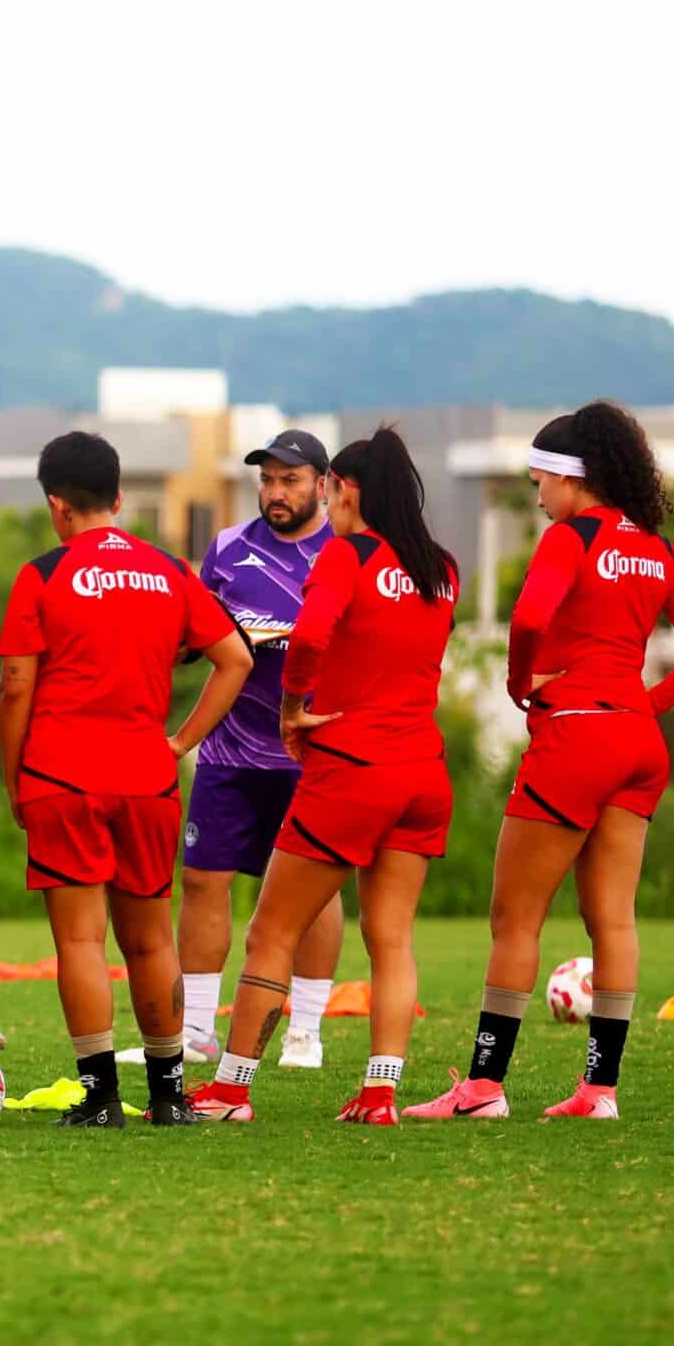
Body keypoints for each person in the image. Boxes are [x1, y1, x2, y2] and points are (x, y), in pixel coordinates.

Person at [409, 402, 674, 1122]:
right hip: (637, 746)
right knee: (612, 918)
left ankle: (484, 1088)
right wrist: (645, 705)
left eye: (539, 483)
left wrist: (520, 681)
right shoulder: (657, 546)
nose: (538, 496)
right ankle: (599, 1091)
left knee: (513, 917)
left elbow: (526, 619)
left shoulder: (571, 537)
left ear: (570, 479)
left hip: (578, 737)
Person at [190, 429, 458, 1125]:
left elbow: (308, 637)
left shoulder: (348, 554)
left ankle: (230, 1089)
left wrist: (293, 709)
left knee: (271, 931)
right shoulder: (443, 566)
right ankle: (380, 1095)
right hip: (424, 772)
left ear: (346, 489)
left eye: (331, 489)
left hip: (353, 770)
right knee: (392, 939)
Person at [0, 432, 251, 1128]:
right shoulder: (169, 570)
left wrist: (19, 779)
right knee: (151, 939)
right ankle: (169, 1094)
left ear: (56, 504)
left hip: (62, 774)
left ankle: (100, 1096)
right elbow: (234, 658)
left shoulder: (42, 573)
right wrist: (183, 741)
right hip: (147, 776)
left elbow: (16, 686)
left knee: (80, 942)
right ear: (117, 497)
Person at [141, 430, 345, 1071]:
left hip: (308, 751)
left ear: (322, 484)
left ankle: (305, 1032)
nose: (275, 492)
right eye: (267, 480)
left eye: (289, 480)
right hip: (229, 751)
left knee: (312, 891)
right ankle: (197, 1030)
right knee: (203, 879)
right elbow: (199, 636)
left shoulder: (344, 553)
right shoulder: (229, 549)